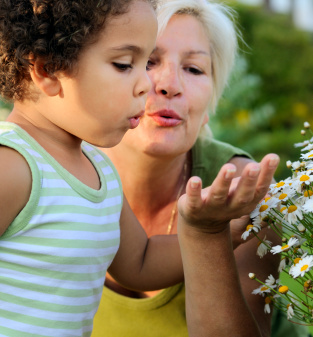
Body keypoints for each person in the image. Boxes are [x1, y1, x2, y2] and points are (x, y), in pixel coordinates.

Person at [0, 1, 279, 336]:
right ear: (48, 70)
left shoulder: (98, 169)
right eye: (125, 65)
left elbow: (141, 262)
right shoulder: (13, 164)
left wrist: (209, 231)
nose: (148, 83)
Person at [91, 0, 309, 336]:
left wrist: (210, 235)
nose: (169, 84)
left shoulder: (241, 192)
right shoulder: (53, 168)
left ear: (209, 104)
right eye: (148, 61)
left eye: (194, 69)